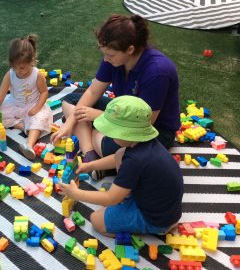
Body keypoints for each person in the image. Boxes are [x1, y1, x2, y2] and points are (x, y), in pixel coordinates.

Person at [50, 14, 180, 179]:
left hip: (152, 130)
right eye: (104, 53)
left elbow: (144, 123)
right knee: (71, 102)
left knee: (106, 141)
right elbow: (92, 92)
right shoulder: (114, 60)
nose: (105, 59)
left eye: (110, 55)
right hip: (122, 112)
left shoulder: (158, 71)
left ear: (130, 50)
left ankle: (100, 154)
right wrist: (70, 123)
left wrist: (96, 116)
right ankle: (90, 154)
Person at [59, 96, 183, 235]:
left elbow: (111, 198)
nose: (108, 135)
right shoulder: (144, 144)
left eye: (112, 132)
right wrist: (91, 166)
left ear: (127, 133)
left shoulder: (135, 161)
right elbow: (116, 158)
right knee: (119, 155)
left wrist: (76, 193)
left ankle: (156, 229)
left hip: (154, 219)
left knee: (96, 220)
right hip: (164, 207)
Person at [0, 34, 53, 160]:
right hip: (15, 105)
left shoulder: (37, 75)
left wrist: (38, 108)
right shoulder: (10, 74)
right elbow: (1, 93)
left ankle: (29, 145)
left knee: (40, 119)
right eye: (14, 67)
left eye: (21, 67)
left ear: (32, 60)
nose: (18, 70)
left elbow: (44, 92)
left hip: (32, 107)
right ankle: (22, 125)